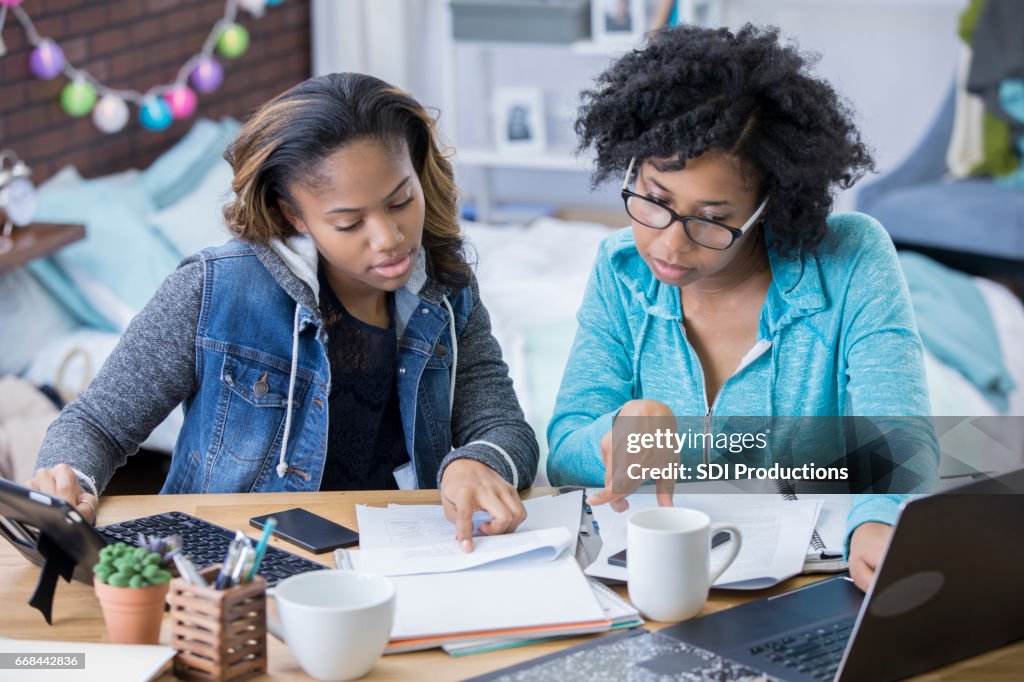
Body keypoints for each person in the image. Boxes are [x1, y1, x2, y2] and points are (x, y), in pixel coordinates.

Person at [28, 73, 538, 551]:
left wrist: (477, 462)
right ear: (293, 214)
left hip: (405, 556)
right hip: (234, 568)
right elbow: (96, 423)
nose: (389, 238)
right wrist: (71, 476)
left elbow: (505, 426)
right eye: (348, 222)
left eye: (402, 200)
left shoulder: (447, 292)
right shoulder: (214, 289)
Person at [547, 25, 938, 591]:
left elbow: (902, 436)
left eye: (710, 219)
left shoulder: (853, 258)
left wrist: (878, 519)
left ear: (769, 205)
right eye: (654, 202)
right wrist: (613, 435)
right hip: (659, 581)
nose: (668, 245)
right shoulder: (619, 269)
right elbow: (564, 450)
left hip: (811, 583)